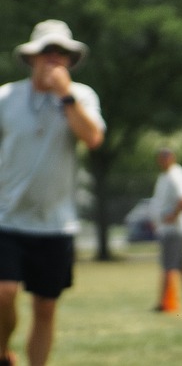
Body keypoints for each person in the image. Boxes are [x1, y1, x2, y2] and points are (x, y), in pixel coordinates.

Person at [0, 20, 105, 366]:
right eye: (47, 52)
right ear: (32, 58)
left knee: (45, 306)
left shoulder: (82, 96)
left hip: (56, 223)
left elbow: (91, 138)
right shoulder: (6, 97)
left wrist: (66, 95)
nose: (54, 59)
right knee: (4, 293)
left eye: (62, 53)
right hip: (7, 216)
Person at [150, 147, 182, 310]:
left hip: (173, 230)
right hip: (169, 229)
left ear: (171, 158)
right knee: (181, 267)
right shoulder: (166, 175)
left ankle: (164, 303)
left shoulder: (175, 175)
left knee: (168, 267)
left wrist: (173, 216)